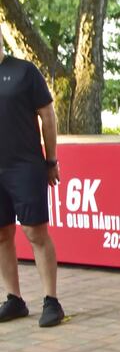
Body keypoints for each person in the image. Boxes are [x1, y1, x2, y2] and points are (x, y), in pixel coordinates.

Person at [0, 30, 65, 327]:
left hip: (24, 166)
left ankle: (51, 300)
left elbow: (48, 115)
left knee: (35, 233)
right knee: (1, 235)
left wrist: (51, 160)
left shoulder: (24, 72)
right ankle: (14, 299)